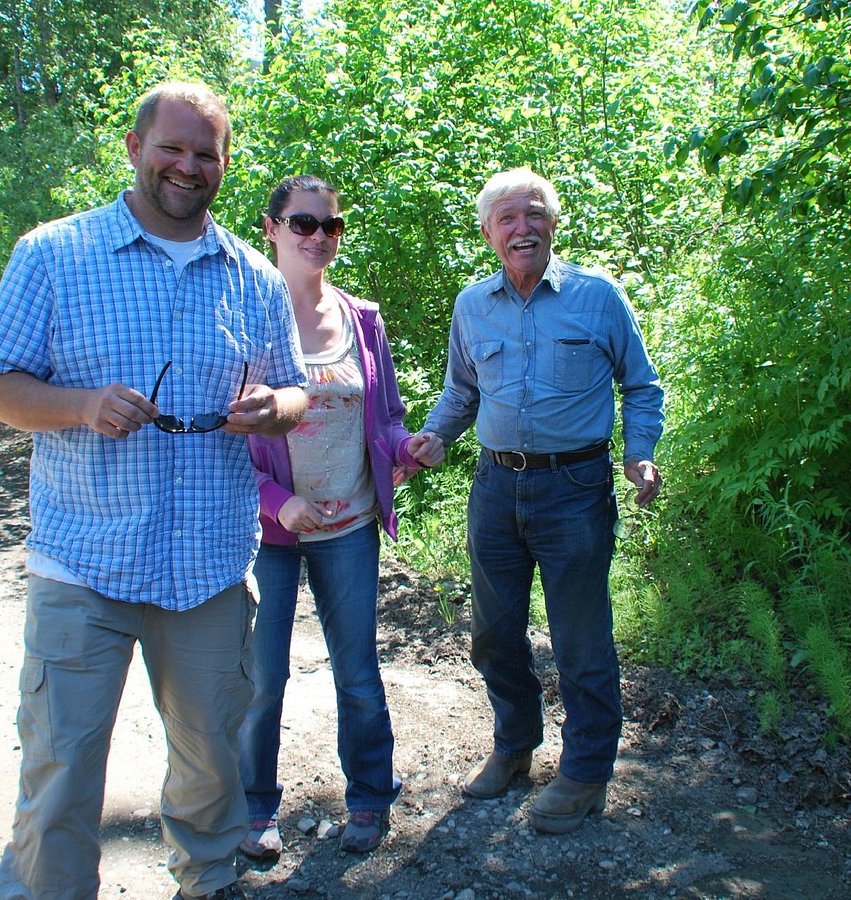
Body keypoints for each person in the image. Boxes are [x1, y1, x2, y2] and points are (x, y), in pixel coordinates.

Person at [0, 82, 309, 900]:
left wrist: (273, 410)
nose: (188, 167)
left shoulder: (254, 277)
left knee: (211, 769)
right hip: (82, 562)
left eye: (206, 153)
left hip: (209, 572)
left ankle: (209, 883)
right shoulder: (52, 253)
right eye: (173, 148)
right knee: (61, 775)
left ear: (225, 164)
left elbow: (296, 393)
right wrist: (81, 405)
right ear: (134, 147)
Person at [419, 167, 664, 835]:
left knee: (580, 639)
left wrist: (638, 453)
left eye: (534, 215)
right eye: (507, 218)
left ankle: (585, 774)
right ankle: (515, 747)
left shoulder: (598, 297)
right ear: (488, 232)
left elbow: (641, 386)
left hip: (575, 488)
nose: (522, 228)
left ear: (554, 224)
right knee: (494, 635)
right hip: (495, 488)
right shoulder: (473, 305)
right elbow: (461, 393)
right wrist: (435, 436)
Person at [237, 175, 444, 858]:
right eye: (303, 224)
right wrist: (279, 504)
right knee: (263, 680)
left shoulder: (363, 318)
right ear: (270, 228)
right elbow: (216, 440)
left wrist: (403, 450)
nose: (319, 237)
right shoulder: (240, 319)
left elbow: (382, 419)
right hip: (267, 534)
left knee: (357, 673)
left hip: (350, 526)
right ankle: (254, 809)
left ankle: (368, 799)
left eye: (331, 226)